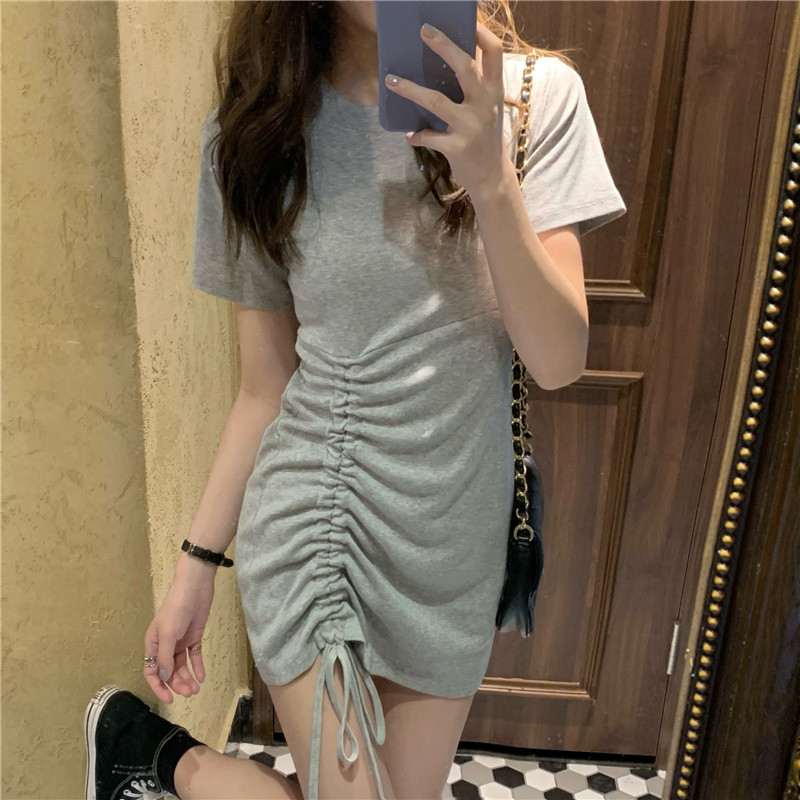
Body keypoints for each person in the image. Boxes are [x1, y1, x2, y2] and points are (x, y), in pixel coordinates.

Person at [84, 1, 627, 798]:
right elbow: (264, 388)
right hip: (321, 519)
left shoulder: (534, 99)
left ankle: (162, 759)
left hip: (454, 544)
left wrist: (490, 178)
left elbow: (556, 361)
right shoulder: (259, 132)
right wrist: (197, 566)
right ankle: (165, 759)